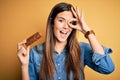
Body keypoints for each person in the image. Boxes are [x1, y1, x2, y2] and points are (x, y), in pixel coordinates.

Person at [17, 2, 114, 80]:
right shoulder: (35, 52)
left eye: (71, 23)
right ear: (52, 22)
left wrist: (87, 31)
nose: (66, 27)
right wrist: (24, 66)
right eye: (61, 20)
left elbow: (108, 68)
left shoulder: (82, 49)